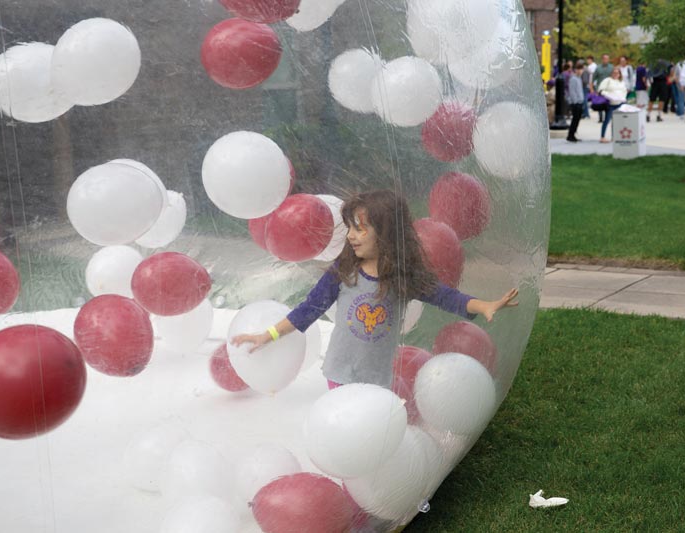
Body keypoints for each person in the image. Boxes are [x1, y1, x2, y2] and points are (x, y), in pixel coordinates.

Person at [231, 190, 519, 388]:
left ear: (387, 231)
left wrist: (484, 305)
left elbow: (445, 296)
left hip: (378, 378)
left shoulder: (401, 277)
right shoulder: (343, 273)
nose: (352, 236)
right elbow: (309, 309)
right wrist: (267, 335)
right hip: (340, 374)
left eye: (360, 228)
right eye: (350, 228)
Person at [597, 67, 628, 143]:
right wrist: (608, 95)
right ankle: (602, 136)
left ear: (620, 74)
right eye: (614, 73)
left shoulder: (621, 82)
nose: (615, 74)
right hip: (610, 103)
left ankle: (614, 136)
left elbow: (624, 91)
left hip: (619, 103)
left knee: (617, 121)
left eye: (617, 73)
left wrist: (623, 98)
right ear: (611, 73)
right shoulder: (607, 80)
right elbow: (600, 90)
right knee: (607, 120)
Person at [567, 61, 585, 142]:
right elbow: (572, 92)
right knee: (574, 120)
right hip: (576, 103)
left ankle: (573, 134)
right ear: (575, 70)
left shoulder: (579, 79)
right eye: (578, 69)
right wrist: (575, 101)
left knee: (577, 120)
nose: (580, 71)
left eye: (581, 69)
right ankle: (570, 135)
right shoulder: (573, 79)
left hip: (580, 102)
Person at [591, 54, 614, 122]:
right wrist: (592, 88)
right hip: (600, 88)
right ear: (602, 59)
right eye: (605, 59)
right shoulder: (598, 68)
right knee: (600, 102)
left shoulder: (611, 67)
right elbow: (593, 78)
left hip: (609, 88)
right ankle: (600, 117)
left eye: (607, 59)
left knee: (609, 103)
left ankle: (608, 116)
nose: (606, 60)